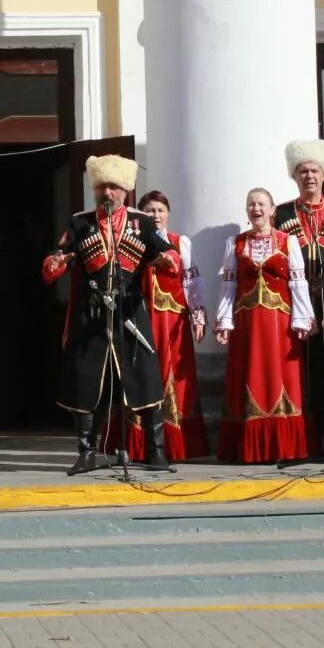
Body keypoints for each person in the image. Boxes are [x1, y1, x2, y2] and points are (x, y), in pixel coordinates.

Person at [42, 154, 179, 475]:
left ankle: (155, 452)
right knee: (87, 383)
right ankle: (87, 453)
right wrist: (56, 263)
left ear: (125, 190)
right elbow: (55, 257)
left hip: (131, 313)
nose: (108, 193)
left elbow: (167, 254)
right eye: (103, 186)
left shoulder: (141, 222)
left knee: (144, 379)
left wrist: (167, 261)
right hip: (90, 317)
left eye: (114, 187)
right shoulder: (80, 222)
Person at [216, 188, 315, 464]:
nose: (255, 209)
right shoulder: (235, 243)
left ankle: (284, 447)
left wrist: (303, 318)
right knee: (250, 374)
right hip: (247, 322)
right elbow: (228, 285)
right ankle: (248, 447)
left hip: (280, 323)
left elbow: (297, 282)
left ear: (272, 210)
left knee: (279, 375)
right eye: (251, 204)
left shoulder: (288, 242)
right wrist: (224, 320)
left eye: (261, 204)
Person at [273, 140, 324, 454]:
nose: (309, 176)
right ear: (294, 177)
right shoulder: (282, 213)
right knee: (300, 368)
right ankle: (303, 437)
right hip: (294, 299)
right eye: (302, 171)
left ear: (323, 175)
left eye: (314, 170)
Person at [117, 189, 207, 462]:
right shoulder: (132, 241)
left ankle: (173, 442)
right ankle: (139, 443)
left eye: (160, 210)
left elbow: (191, 280)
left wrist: (198, 315)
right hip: (142, 318)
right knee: (141, 374)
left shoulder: (180, 242)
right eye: (150, 210)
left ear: (168, 214)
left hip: (172, 320)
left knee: (173, 378)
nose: (155, 215)